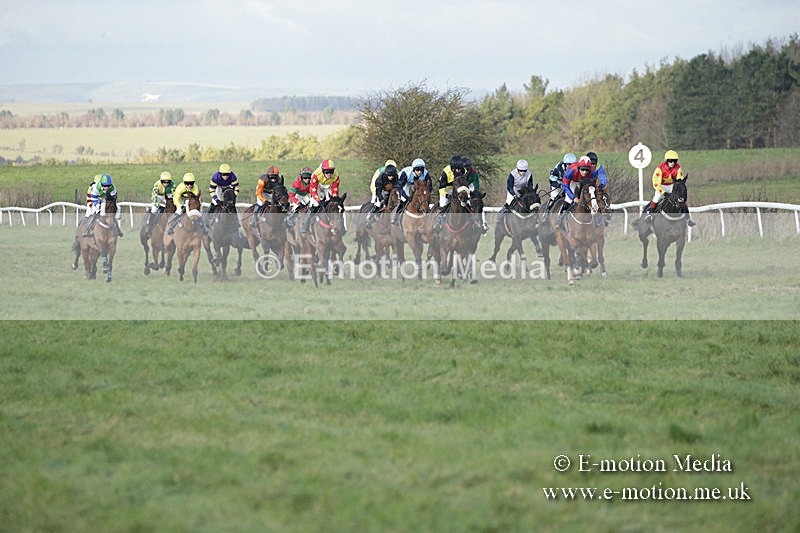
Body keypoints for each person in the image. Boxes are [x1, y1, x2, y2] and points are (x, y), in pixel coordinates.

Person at [644, 150, 696, 226]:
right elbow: (656, 183)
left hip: (672, 185)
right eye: (671, 161)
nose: (673, 163)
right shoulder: (659, 169)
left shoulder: (678, 168)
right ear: (666, 161)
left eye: (675, 161)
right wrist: (663, 193)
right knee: (656, 198)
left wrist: (678, 190)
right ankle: (649, 215)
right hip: (661, 186)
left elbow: (679, 180)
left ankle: (688, 219)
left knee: (680, 199)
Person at [301, 159, 340, 234]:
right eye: (327, 172)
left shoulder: (336, 176)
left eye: (331, 172)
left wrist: (334, 200)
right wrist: (319, 200)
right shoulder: (316, 175)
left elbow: (335, 189)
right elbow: (313, 191)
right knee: (315, 205)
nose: (329, 174)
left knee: (335, 206)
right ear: (322, 171)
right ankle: (305, 226)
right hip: (317, 187)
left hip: (328, 187)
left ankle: (340, 226)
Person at [557, 155, 595, 229]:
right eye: (582, 169)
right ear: (578, 168)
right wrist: (573, 197)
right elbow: (565, 185)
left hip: (585, 181)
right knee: (568, 198)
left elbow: (593, 184)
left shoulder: (593, 171)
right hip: (572, 181)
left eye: (587, 170)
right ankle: (560, 217)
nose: (584, 172)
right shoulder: (571, 170)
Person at [394, 158, 431, 224]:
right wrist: (406, 197)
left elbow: (429, 186)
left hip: (415, 183)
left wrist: (427, 194)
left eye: (421, 170)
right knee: (404, 199)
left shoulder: (425, 174)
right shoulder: (405, 173)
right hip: (405, 183)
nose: (420, 172)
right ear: (414, 169)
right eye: (417, 170)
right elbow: (399, 187)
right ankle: (396, 217)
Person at [498, 159, 534, 225]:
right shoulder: (512, 174)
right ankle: (500, 217)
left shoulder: (529, 174)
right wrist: (514, 195)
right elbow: (509, 187)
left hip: (524, 191)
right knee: (508, 202)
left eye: (524, 171)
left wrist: (529, 194)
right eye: (521, 170)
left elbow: (530, 186)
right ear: (517, 169)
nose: (523, 172)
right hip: (513, 190)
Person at [434, 155, 466, 231]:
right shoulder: (445, 172)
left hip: (458, 189)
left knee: (466, 202)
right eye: (456, 169)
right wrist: (447, 195)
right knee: (443, 204)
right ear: (452, 168)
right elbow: (441, 188)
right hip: (446, 189)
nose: (458, 170)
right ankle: (439, 221)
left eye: (459, 168)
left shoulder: (463, 171)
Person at [365, 163, 400, 228]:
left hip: (391, 191)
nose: (391, 177)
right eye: (389, 176)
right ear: (386, 174)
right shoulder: (380, 178)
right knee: (378, 204)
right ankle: (369, 218)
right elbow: (378, 191)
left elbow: (397, 186)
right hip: (381, 191)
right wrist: (381, 199)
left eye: (392, 176)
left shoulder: (396, 177)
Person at [145, 171, 175, 237]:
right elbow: (154, 196)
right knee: (154, 210)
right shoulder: (157, 184)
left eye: (168, 182)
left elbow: (174, 195)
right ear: (161, 181)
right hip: (158, 196)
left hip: (167, 195)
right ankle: (149, 226)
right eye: (164, 182)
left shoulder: (173, 184)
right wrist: (156, 204)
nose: (166, 184)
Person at [462, 157, 488, 232]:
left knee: (478, 204)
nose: (468, 171)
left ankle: (482, 224)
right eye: (466, 169)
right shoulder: (459, 172)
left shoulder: (474, 173)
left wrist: (475, 195)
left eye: (469, 168)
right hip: (461, 187)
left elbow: (476, 186)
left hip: (470, 187)